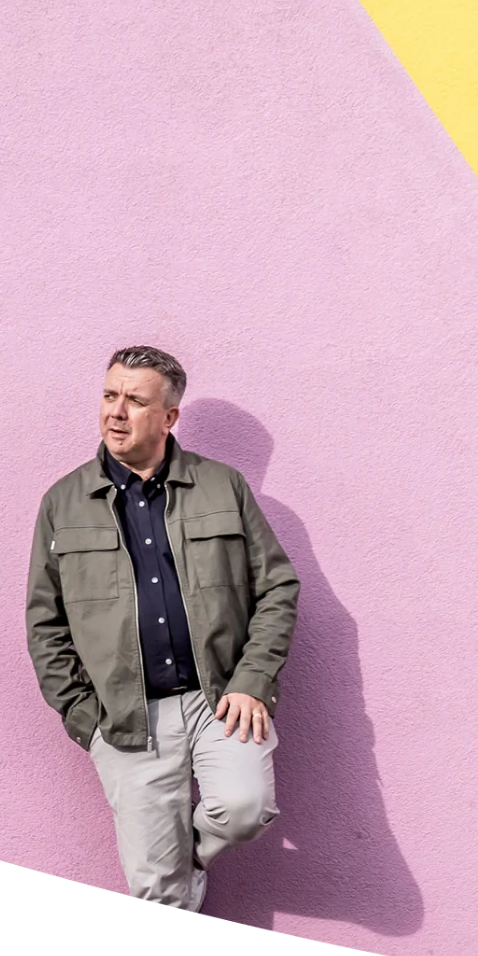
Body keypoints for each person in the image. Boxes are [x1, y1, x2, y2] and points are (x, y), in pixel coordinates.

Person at [27, 344, 299, 914]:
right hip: (126, 717)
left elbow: (276, 587)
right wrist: (84, 716)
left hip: (219, 697)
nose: (115, 412)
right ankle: (174, 878)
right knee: (158, 895)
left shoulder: (223, 486)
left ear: (169, 416)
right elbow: (45, 623)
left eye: (134, 400)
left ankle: (184, 861)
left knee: (244, 809)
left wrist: (252, 679)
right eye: (109, 396)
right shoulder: (63, 503)